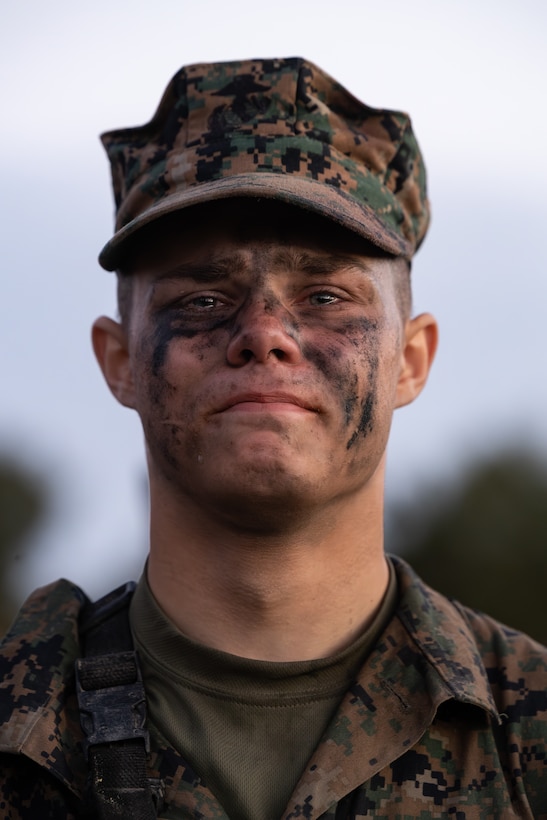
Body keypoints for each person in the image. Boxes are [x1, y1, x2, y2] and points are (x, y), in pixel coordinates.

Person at [0, 56, 546, 820]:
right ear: (118, 362)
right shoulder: (15, 726)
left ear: (409, 361)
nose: (262, 334)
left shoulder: (529, 733)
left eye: (324, 296)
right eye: (199, 299)